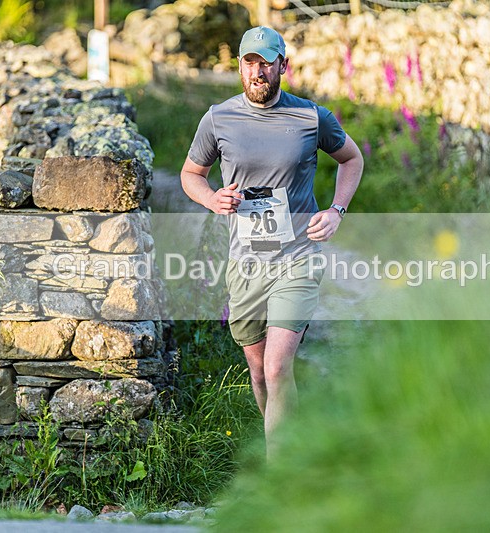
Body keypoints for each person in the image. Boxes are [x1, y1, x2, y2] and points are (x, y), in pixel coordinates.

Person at [180, 26, 364, 455]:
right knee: (260, 373)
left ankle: (279, 476)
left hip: (297, 257)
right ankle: (284, 441)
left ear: (283, 65)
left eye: (266, 62)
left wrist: (336, 210)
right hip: (246, 262)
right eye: (249, 62)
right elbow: (192, 174)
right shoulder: (217, 118)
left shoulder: (311, 117)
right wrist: (212, 198)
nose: (257, 71)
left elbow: (351, 159)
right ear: (240, 66)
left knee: (280, 367)